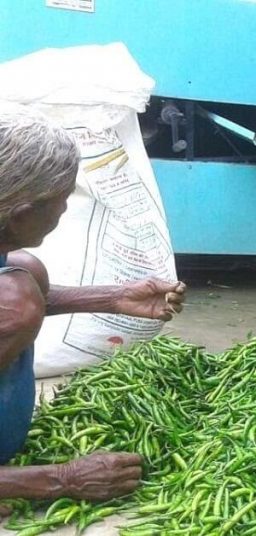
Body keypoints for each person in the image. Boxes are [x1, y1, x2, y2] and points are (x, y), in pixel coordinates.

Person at [0, 104, 186, 508]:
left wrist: (114, 298)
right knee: (20, 299)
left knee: (27, 273)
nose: (66, 209)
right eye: (61, 200)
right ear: (22, 216)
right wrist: (62, 479)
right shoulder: (12, 305)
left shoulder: (13, 274)